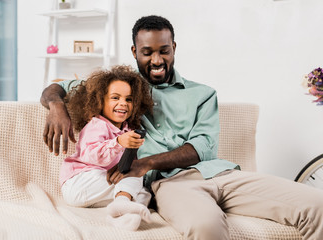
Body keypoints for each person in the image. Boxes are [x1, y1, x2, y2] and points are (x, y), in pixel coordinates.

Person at [41, 15, 323, 239]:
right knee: (206, 227)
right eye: (147, 52)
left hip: (221, 174)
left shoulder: (203, 94)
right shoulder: (120, 90)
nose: (156, 60)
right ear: (134, 52)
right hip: (172, 185)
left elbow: (203, 147)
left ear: (173, 48)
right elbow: (56, 88)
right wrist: (56, 106)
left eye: (163, 51)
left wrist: (145, 162)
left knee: (317, 205)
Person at [59, 65, 153, 231]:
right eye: (115, 98)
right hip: (80, 182)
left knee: (143, 192)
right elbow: (93, 156)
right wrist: (118, 142)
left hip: (100, 186)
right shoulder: (97, 124)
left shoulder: (127, 130)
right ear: (99, 101)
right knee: (133, 178)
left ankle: (121, 216)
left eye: (129, 99)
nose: (123, 103)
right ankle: (123, 203)